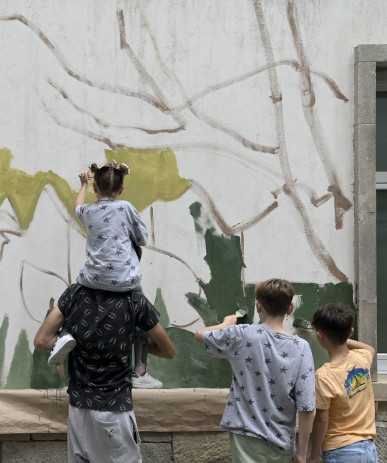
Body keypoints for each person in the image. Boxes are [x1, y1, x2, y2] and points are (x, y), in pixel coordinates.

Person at [48, 160, 162, 388]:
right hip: (125, 283)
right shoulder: (127, 208)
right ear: (121, 189)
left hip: (92, 281)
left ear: (95, 188)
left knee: (76, 302)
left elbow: (77, 206)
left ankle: (65, 334)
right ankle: (139, 372)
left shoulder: (89, 212)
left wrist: (82, 184)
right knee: (142, 320)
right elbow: (142, 239)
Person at [35, 283, 175, 462]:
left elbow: (41, 340)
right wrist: (125, 339)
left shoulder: (74, 293)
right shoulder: (134, 299)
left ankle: (66, 334)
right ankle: (140, 372)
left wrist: (82, 337)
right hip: (114, 408)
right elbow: (168, 351)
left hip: (78, 410)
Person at [195, 278, 315, 463]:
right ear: (290, 308)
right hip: (281, 440)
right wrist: (302, 452)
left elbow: (200, 335)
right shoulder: (302, 347)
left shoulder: (242, 334)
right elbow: (307, 406)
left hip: (246, 436)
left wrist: (226, 324)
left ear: (258, 306)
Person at [307, 303, 377, 463]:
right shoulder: (362, 358)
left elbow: (321, 421)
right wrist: (344, 337)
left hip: (340, 451)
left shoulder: (324, 376)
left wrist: (313, 455)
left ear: (319, 336)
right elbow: (370, 348)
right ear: (350, 332)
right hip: (368, 449)